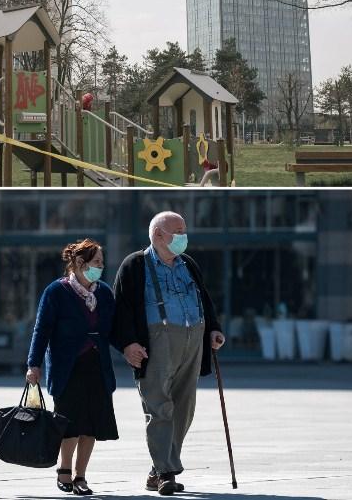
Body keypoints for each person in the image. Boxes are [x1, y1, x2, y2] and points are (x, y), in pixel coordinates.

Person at [112, 211, 226, 496]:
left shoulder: (188, 263)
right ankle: (166, 472)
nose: (183, 236)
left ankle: (158, 467)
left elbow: (203, 298)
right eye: (178, 231)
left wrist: (213, 328)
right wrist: (128, 344)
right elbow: (121, 309)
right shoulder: (135, 264)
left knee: (184, 408)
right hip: (156, 341)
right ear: (158, 235)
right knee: (159, 407)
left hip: (193, 339)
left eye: (184, 230)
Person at [26, 238, 120, 497]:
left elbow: (114, 330)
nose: (100, 267)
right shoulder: (56, 291)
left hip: (97, 366)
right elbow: (41, 329)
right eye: (96, 262)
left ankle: (81, 476)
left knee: (91, 424)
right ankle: (64, 470)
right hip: (68, 367)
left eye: (101, 262)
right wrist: (33, 364)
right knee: (69, 423)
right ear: (80, 263)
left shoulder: (103, 293)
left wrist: (132, 346)